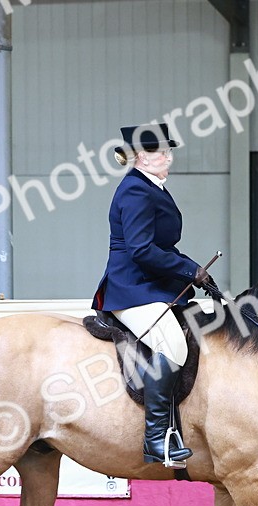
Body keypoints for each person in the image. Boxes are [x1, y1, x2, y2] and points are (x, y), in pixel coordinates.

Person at [92, 123, 213, 468]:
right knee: (172, 345)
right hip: (131, 287)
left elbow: (161, 245)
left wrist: (193, 270)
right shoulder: (136, 191)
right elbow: (142, 250)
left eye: (169, 151)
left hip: (151, 284)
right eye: (163, 152)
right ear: (142, 157)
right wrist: (190, 270)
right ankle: (156, 439)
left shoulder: (151, 186)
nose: (169, 158)